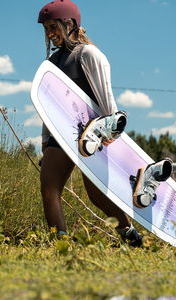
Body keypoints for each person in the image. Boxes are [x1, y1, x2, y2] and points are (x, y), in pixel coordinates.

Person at [37, 0, 142, 247]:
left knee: (96, 195)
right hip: (59, 135)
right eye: (46, 29)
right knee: (49, 189)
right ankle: (61, 244)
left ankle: (129, 234)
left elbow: (106, 96)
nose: (50, 34)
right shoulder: (51, 63)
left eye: (54, 27)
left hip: (91, 135)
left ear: (70, 24)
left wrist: (112, 129)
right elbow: (48, 105)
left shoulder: (88, 54)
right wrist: (45, 142)